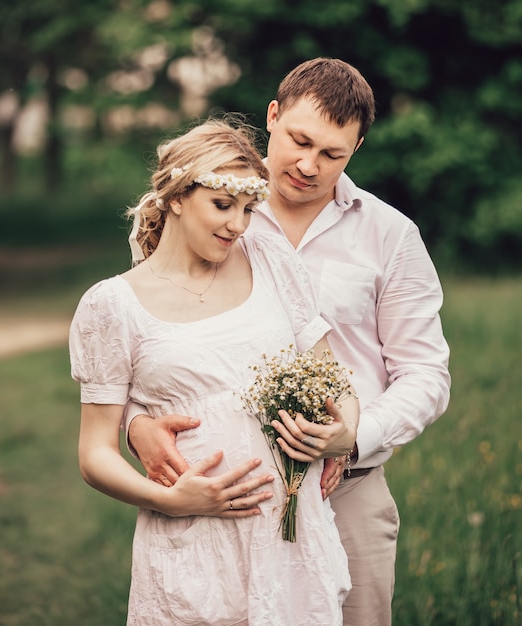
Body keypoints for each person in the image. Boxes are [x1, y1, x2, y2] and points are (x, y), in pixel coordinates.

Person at [124, 58, 451, 626]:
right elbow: (147, 339)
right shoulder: (214, 208)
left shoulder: (391, 235)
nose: (308, 165)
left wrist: (352, 437)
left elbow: (426, 374)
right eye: (300, 141)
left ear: (357, 149)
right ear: (272, 117)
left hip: (346, 494)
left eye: (333, 154)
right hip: (225, 494)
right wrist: (136, 424)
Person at [69, 118, 360, 626]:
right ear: (178, 197)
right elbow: (95, 453)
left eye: (248, 208)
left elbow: (332, 379)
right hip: (193, 545)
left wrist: (343, 431)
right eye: (222, 206)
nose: (238, 225)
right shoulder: (111, 305)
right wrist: (172, 500)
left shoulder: (269, 260)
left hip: (288, 535)